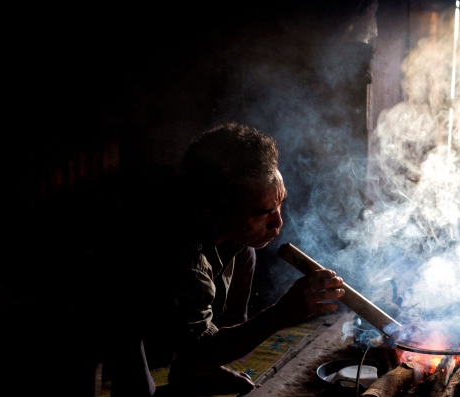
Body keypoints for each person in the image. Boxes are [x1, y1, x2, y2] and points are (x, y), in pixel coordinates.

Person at [106, 123, 345, 397]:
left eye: (279, 206)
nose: (279, 222)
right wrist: (283, 312)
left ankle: (196, 370)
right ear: (215, 215)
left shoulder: (231, 236)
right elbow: (195, 348)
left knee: (245, 253)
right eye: (263, 213)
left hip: (175, 302)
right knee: (137, 389)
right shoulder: (179, 256)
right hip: (109, 301)